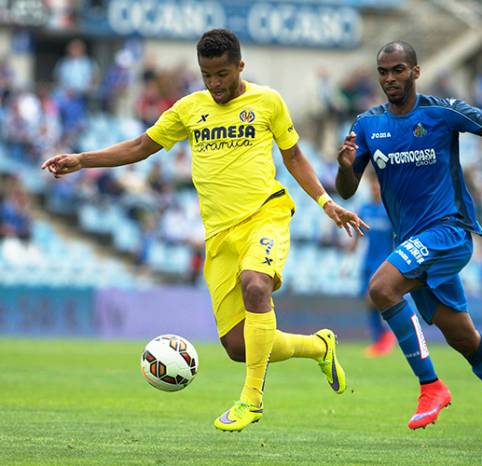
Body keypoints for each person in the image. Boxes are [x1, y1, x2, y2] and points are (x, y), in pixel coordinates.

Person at [42, 29, 368, 433]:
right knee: (238, 346)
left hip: (266, 215)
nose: (214, 84)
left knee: (255, 285)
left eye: (222, 74)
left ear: (240, 66)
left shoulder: (267, 102)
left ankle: (251, 400)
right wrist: (82, 160)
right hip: (219, 235)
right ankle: (319, 346)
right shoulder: (188, 108)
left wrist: (326, 202)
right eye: (206, 75)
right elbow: (141, 146)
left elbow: (295, 156)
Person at [335, 40, 482, 448]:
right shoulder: (366, 125)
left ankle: (430, 385)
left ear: (415, 71)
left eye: (398, 70)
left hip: (448, 233)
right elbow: (346, 190)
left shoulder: (441, 113)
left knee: (381, 288)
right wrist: (345, 170)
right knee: (464, 338)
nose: (390, 78)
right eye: (383, 72)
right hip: (415, 244)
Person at [348, 169, 396, 356]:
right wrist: (349, 254)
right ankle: (379, 340)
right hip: (367, 261)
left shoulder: (390, 209)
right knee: (367, 301)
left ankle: (386, 334)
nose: (375, 187)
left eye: (378, 184)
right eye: (373, 184)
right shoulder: (365, 209)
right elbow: (358, 237)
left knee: (372, 298)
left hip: (385, 262)